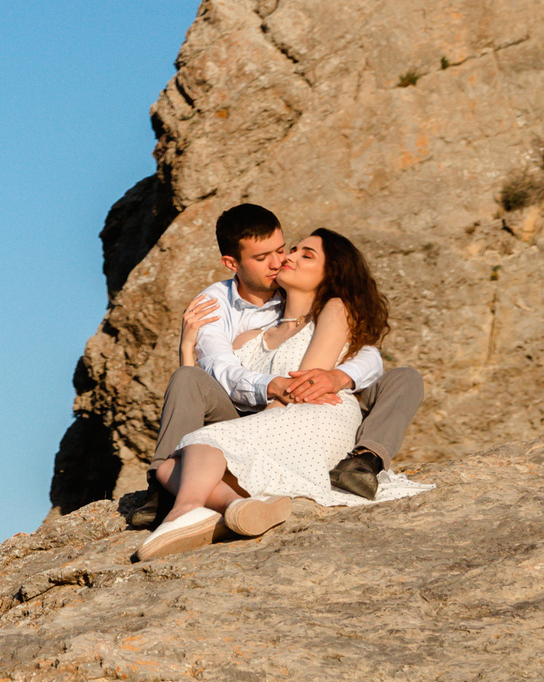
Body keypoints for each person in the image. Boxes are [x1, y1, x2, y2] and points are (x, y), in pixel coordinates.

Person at [124, 203, 424, 530]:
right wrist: (187, 349)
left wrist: (339, 376)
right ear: (232, 263)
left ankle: (364, 462)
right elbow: (217, 374)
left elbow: (353, 362)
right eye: (275, 254)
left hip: (310, 414)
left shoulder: (331, 309)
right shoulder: (220, 309)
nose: (283, 259)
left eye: (287, 251)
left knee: (404, 378)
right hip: (252, 413)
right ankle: (208, 501)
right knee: (176, 444)